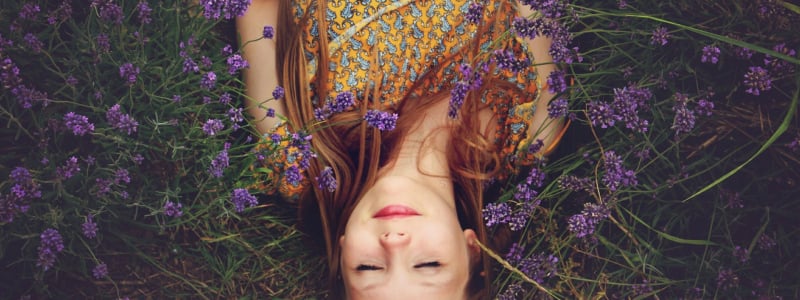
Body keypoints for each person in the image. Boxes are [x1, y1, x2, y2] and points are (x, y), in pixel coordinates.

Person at [236, 0, 568, 298]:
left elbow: (252, 10)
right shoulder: (530, 129)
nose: (394, 242)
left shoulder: (299, 162)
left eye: (368, 268)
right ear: (472, 251)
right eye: (428, 264)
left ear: (341, 254)